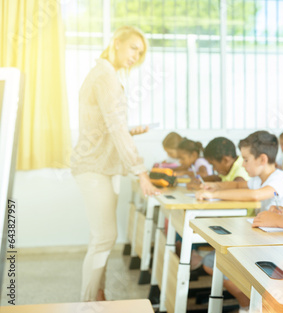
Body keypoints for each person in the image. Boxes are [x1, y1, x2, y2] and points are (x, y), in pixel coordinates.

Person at [70, 26, 160, 302]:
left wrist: (130, 130)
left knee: (102, 238)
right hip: (94, 167)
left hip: (105, 167)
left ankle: (98, 294)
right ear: (117, 43)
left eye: (140, 53)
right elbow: (115, 127)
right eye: (133, 48)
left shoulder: (106, 75)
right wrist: (142, 173)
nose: (136, 56)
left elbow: (107, 126)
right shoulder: (105, 75)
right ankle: (87, 303)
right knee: (105, 237)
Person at [195, 130, 283, 311]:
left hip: (280, 249)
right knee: (214, 261)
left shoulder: (279, 179)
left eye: (246, 159)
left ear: (262, 159)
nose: (243, 164)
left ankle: (255, 304)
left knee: (218, 262)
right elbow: (237, 184)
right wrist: (216, 185)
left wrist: (214, 194)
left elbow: (255, 195)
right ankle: (250, 304)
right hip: (261, 242)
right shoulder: (258, 178)